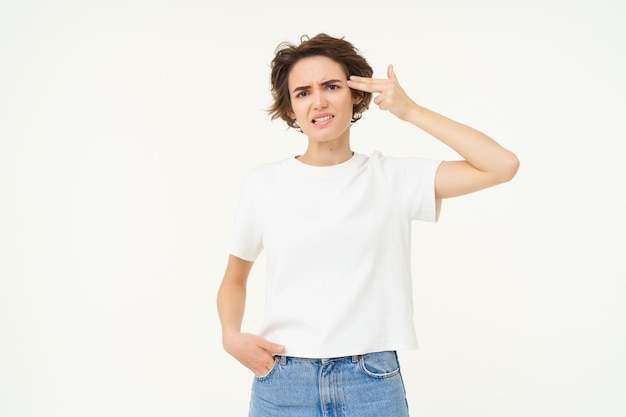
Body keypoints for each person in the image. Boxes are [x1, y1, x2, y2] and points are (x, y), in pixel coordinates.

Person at [216, 33, 519, 417]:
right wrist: (230, 336)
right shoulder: (264, 184)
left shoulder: (391, 178)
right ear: (291, 109)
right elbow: (234, 277)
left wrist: (411, 111)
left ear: (357, 94)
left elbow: (502, 165)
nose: (319, 102)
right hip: (283, 380)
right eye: (303, 92)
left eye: (331, 86)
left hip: (370, 380)